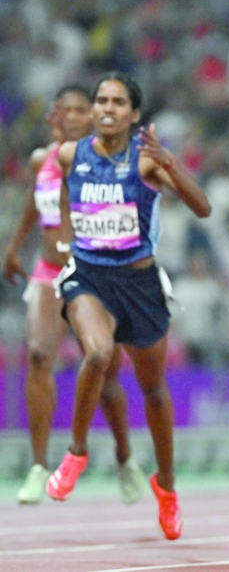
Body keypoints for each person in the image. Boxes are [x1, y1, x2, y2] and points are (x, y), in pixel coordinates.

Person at [47, 72, 211, 540]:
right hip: (89, 276)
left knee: (154, 390)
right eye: (101, 100)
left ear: (134, 114)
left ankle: (168, 486)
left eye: (118, 102)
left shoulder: (145, 164)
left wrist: (173, 165)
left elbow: (202, 208)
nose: (107, 108)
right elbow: (63, 199)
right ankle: (76, 451)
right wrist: (64, 243)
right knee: (97, 354)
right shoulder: (68, 155)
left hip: (138, 282)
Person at [2, 85, 143, 505]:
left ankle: (124, 457)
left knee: (104, 372)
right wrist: (14, 245)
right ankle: (39, 466)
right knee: (40, 356)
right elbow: (36, 199)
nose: (75, 116)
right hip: (48, 273)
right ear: (54, 116)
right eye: (67, 110)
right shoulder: (42, 159)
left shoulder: (104, 160)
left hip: (95, 274)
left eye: (84, 110)